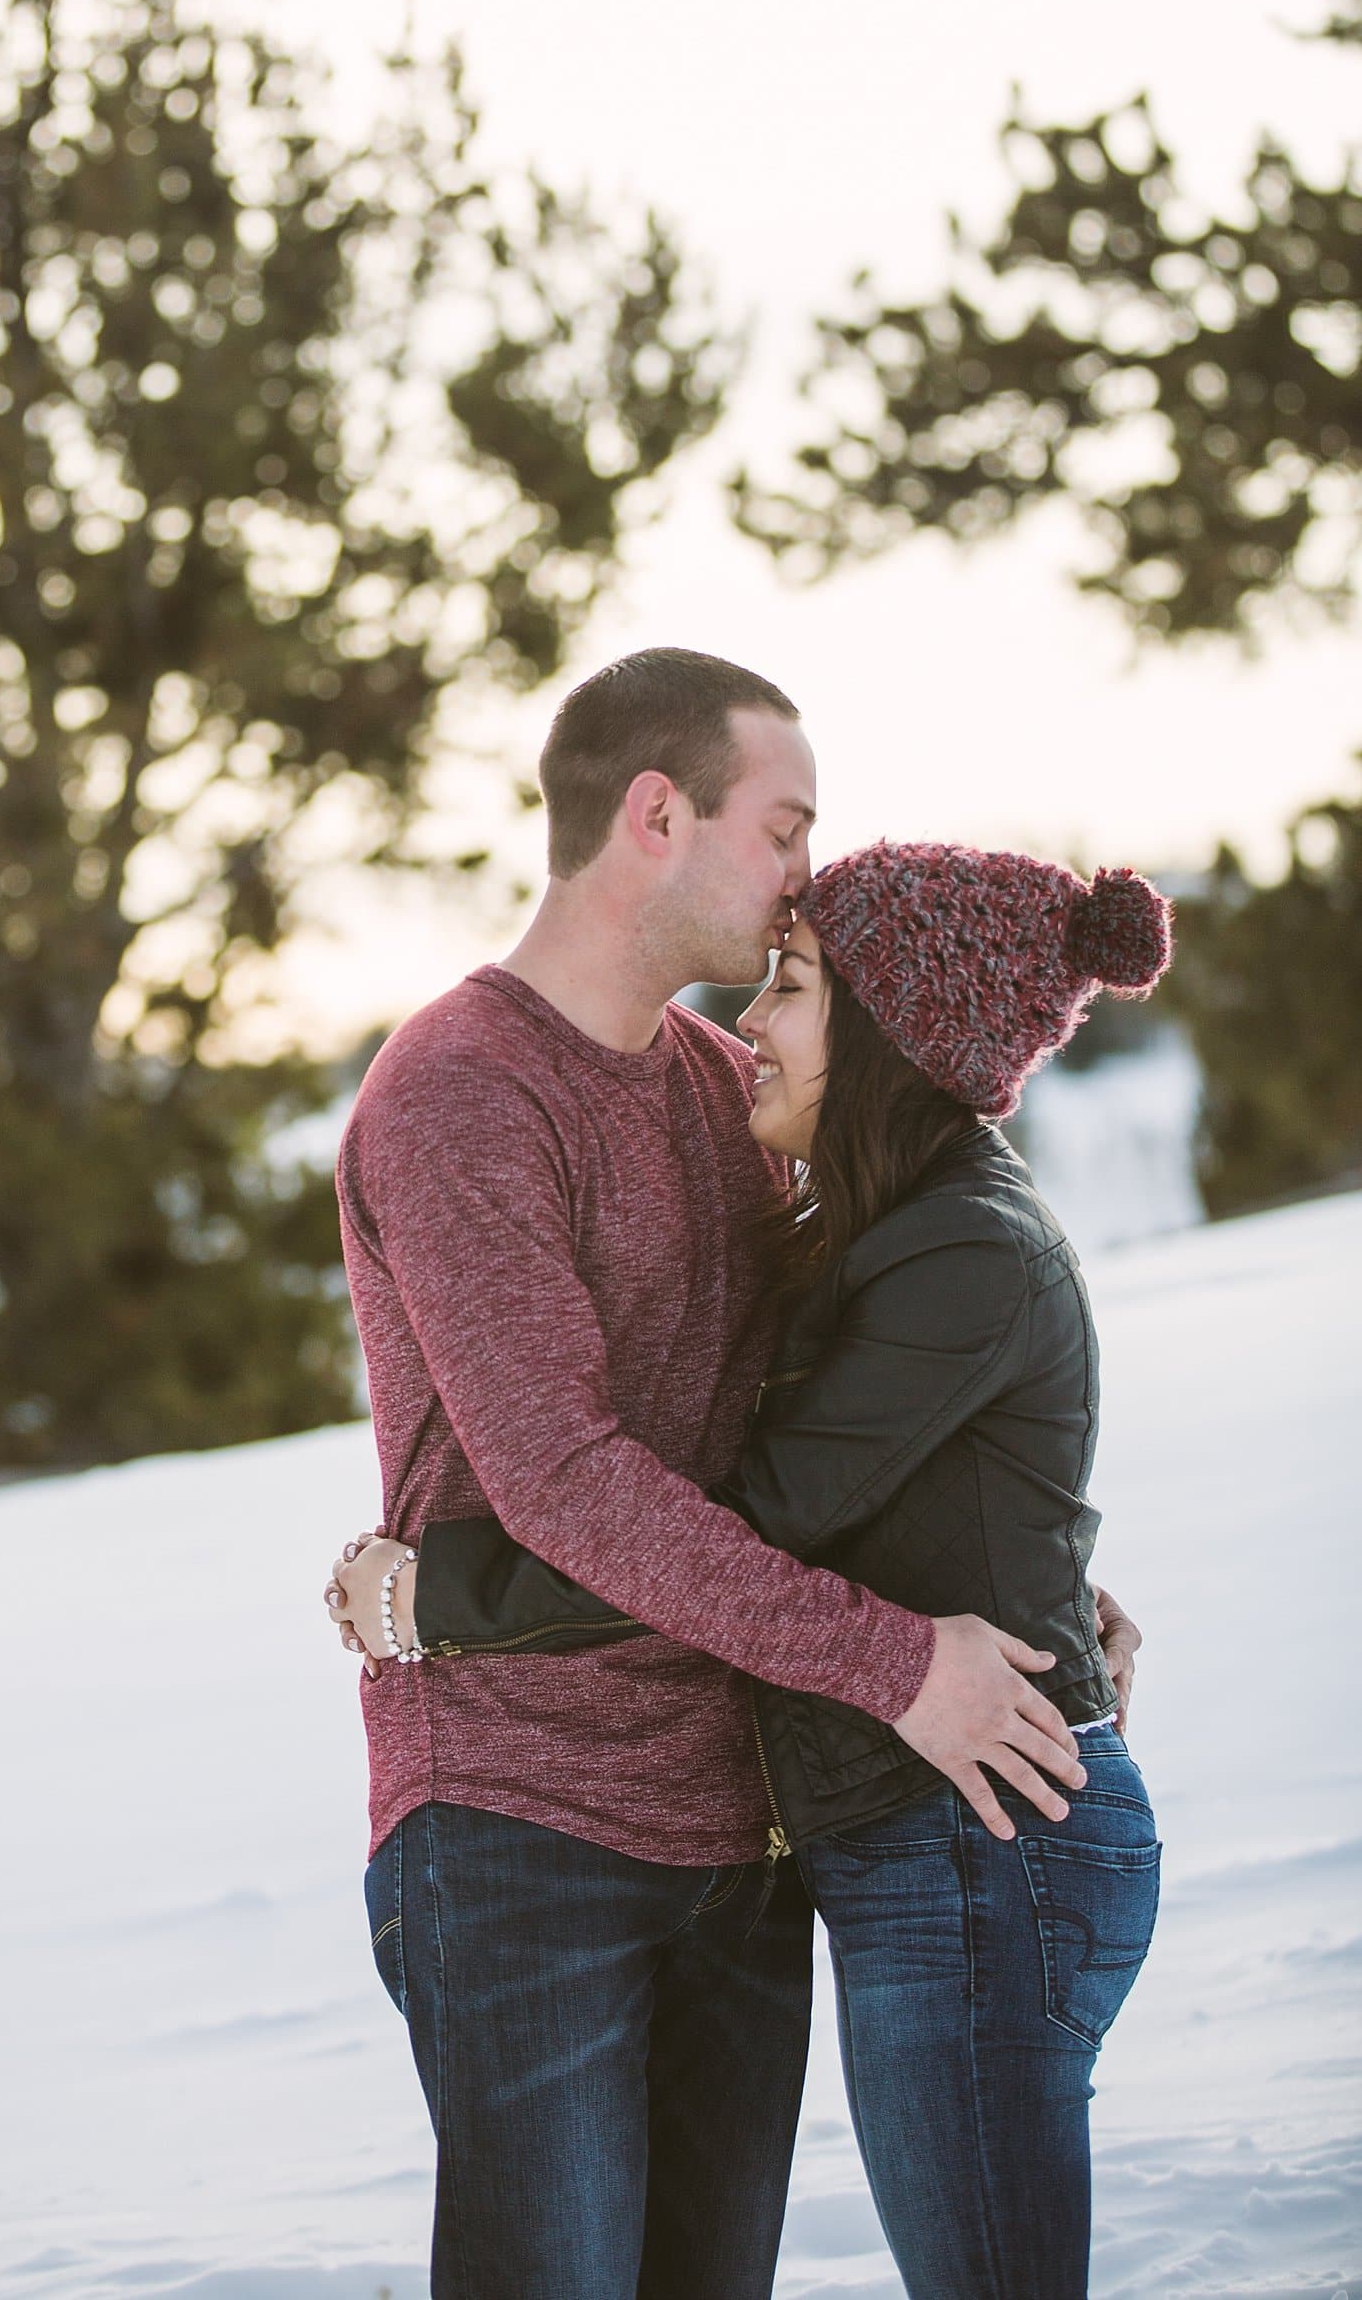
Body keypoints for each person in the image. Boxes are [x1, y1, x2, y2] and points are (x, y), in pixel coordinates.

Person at [325, 648, 1111, 2300]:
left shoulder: (722, 1095)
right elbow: (567, 1482)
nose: (804, 878)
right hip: (526, 1819)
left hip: (744, 1823)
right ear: (657, 814)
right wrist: (901, 1662)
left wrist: (1015, 1581)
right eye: (786, 827)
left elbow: (824, 1425)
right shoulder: (463, 1092)